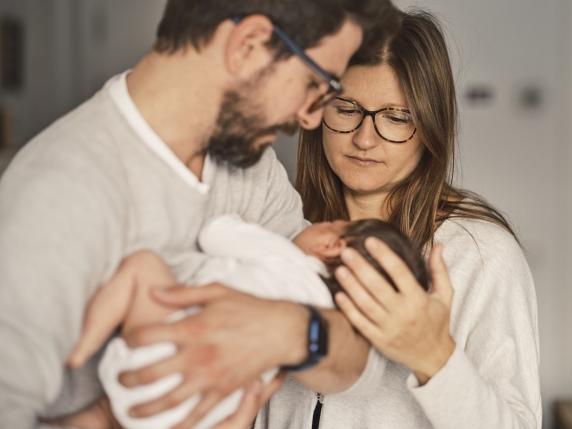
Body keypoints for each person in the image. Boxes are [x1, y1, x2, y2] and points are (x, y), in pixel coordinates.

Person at [0, 1, 400, 428]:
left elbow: (363, 363)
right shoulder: (59, 194)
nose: (310, 118)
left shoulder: (252, 168)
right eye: (314, 84)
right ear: (249, 43)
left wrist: (292, 330)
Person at [256, 10, 542, 428]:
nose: (364, 138)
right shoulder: (281, 231)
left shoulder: (480, 255)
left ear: (430, 127)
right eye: (347, 108)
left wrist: (434, 358)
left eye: (396, 117)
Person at [67, 216, 428, 429]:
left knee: (143, 265)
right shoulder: (325, 314)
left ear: (332, 244)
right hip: (206, 413)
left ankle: (80, 348)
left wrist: (255, 233)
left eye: (330, 222)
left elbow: (216, 230)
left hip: (161, 352)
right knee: (107, 416)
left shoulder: (284, 257)